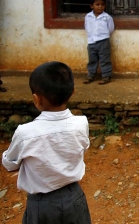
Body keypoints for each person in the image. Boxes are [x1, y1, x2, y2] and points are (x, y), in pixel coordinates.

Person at [2, 61, 91, 223]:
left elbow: (10, 164)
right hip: (74, 198)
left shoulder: (25, 133)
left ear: (36, 99)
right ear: (73, 92)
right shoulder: (81, 123)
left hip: (42, 205)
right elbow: (82, 148)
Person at [83, 0, 115, 85]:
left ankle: (106, 76)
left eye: (102, 4)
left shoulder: (107, 17)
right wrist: (92, 36)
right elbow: (87, 27)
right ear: (91, 6)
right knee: (92, 59)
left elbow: (111, 29)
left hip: (103, 41)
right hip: (91, 41)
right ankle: (91, 75)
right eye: (97, 4)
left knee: (104, 59)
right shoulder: (88, 16)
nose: (100, 6)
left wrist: (103, 36)